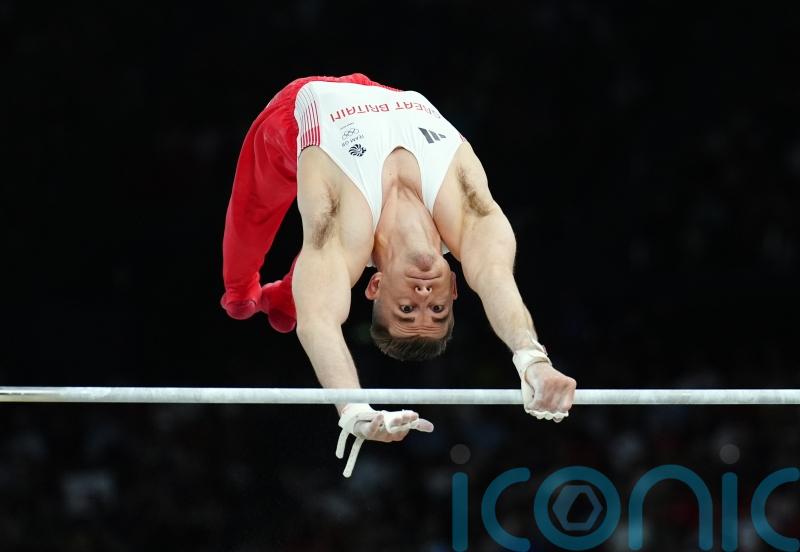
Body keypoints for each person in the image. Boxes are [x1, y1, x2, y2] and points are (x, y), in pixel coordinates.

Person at [220, 74, 577, 476]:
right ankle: (284, 294)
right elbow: (497, 278)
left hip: (296, 115)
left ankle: (245, 292)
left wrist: (353, 409)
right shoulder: (468, 214)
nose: (424, 294)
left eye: (407, 308)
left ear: (373, 285)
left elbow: (319, 322)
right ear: (455, 286)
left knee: (252, 231)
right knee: (315, 273)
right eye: (437, 308)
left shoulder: (347, 227)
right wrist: (531, 359)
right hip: (381, 93)